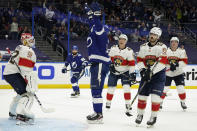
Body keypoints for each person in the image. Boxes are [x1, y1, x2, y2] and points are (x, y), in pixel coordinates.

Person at [136, 27, 167, 127]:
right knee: (142, 96)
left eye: (155, 35)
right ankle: (140, 115)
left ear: (158, 37)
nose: (152, 36)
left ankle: (153, 117)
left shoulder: (162, 47)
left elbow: (162, 63)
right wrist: (142, 70)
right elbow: (140, 59)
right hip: (146, 74)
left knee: (155, 97)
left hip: (158, 76)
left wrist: (151, 72)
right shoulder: (143, 46)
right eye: (151, 34)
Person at [85, 2, 110, 123]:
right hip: (98, 63)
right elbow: (93, 25)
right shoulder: (95, 31)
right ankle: (97, 112)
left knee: (96, 90)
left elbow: (97, 25)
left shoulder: (101, 32)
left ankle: (99, 114)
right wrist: (89, 16)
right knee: (95, 89)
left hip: (100, 63)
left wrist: (96, 15)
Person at [3, 33, 37, 125]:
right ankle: (21, 115)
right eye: (30, 40)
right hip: (13, 74)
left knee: (21, 93)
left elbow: (22, 67)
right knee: (26, 94)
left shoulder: (20, 47)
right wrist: (30, 83)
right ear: (25, 41)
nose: (32, 42)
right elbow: (26, 70)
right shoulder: (28, 50)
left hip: (10, 73)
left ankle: (13, 112)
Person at [105, 34, 136, 116]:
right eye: (120, 39)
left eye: (123, 39)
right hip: (114, 71)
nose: (122, 40)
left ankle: (128, 103)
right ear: (118, 40)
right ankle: (108, 103)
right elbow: (109, 58)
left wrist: (132, 73)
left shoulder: (129, 51)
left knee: (127, 88)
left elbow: (132, 64)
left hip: (125, 72)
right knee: (111, 88)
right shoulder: (113, 48)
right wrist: (110, 65)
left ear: (126, 41)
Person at [160, 37, 188, 110]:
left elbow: (184, 62)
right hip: (168, 74)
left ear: (177, 43)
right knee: (165, 89)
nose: (174, 43)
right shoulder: (166, 51)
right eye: (172, 42)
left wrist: (176, 64)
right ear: (170, 43)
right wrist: (168, 65)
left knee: (181, 89)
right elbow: (162, 61)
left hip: (178, 73)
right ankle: (160, 102)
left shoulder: (182, 51)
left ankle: (183, 102)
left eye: (175, 42)